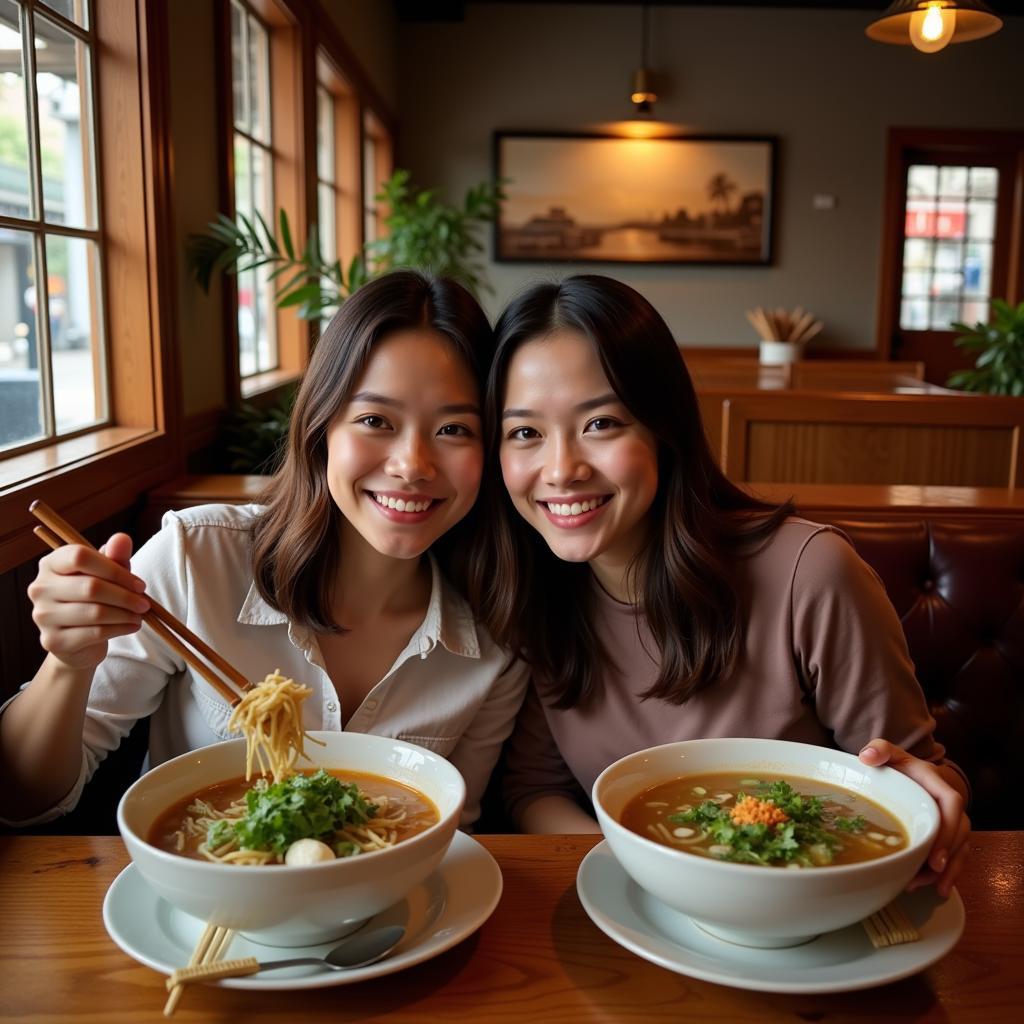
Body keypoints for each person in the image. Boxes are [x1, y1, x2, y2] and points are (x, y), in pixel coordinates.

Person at [467, 274, 969, 895]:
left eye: (600, 423)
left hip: (806, 916)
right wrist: (654, 878)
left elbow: (916, 780)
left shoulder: (810, 573)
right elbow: (534, 788)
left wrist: (933, 811)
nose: (562, 468)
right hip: (637, 926)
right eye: (525, 433)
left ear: (663, 428)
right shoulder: (539, 592)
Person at [0, 270, 527, 828]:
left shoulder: (498, 637)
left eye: (454, 430)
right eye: (375, 420)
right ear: (322, 428)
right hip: (202, 898)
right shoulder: (197, 558)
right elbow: (21, 799)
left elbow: (453, 830)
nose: (412, 465)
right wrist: (68, 661)